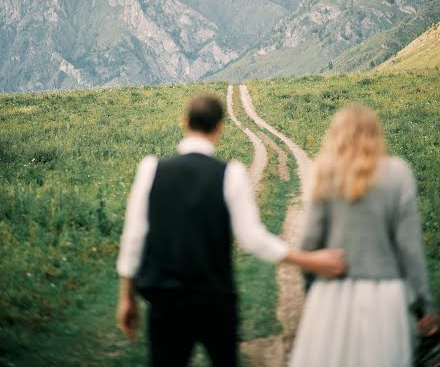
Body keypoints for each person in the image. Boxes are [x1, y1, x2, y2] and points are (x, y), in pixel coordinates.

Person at [116, 93, 346, 367]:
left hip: (166, 302)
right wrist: (309, 260)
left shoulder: (150, 170)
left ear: (184, 122)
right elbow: (253, 239)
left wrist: (127, 297)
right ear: (220, 127)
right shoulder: (231, 174)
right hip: (215, 301)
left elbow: (133, 237)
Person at [289, 104, 439, 367]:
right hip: (386, 295)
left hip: (333, 291)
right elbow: (410, 249)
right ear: (376, 135)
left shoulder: (326, 172)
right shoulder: (398, 173)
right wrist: (424, 305)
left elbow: (309, 243)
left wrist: (311, 284)